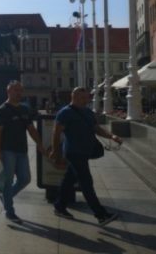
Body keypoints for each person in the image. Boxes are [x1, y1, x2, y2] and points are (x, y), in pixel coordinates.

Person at [50, 87, 122, 226]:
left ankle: (59, 206)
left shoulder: (88, 112)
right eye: (82, 98)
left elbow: (97, 129)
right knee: (86, 182)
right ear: (74, 97)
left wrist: (112, 136)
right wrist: (55, 150)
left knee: (69, 180)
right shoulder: (65, 113)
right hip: (73, 152)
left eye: (86, 98)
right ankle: (100, 215)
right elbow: (56, 132)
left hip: (85, 152)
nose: (86, 100)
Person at [0, 80, 44, 224]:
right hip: (7, 150)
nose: (19, 93)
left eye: (21, 90)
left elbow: (31, 129)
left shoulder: (24, 109)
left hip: (22, 150)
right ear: (8, 92)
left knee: (25, 178)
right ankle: (10, 211)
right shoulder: (2, 110)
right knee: (8, 181)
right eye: (16, 90)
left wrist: (39, 143)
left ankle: (5, 197)